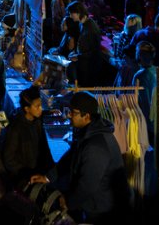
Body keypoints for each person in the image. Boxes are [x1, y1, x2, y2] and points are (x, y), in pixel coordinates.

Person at [55, 91, 129, 225]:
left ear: (86, 116)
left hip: (101, 210)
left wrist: (69, 202)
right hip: (97, 204)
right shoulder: (87, 133)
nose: (69, 115)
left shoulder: (95, 145)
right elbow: (70, 157)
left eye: (74, 112)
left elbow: (88, 184)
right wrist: (49, 176)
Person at [1, 85, 53, 190]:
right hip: (24, 180)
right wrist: (26, 174)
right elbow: (9, 159)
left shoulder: (37, 122)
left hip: (37, 175)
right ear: (27, 109)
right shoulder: (16, 128)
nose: (41, 109)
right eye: (37, 106)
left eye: (41, 105)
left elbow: (44, 149)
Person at [67, 1, 110, 86]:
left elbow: (94, 52)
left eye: (72, 14)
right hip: (85, 64)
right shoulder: (82, 23)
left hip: (90, 67)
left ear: (78, 13)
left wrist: (78, 56)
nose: (70, 16)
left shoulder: (91, 28)